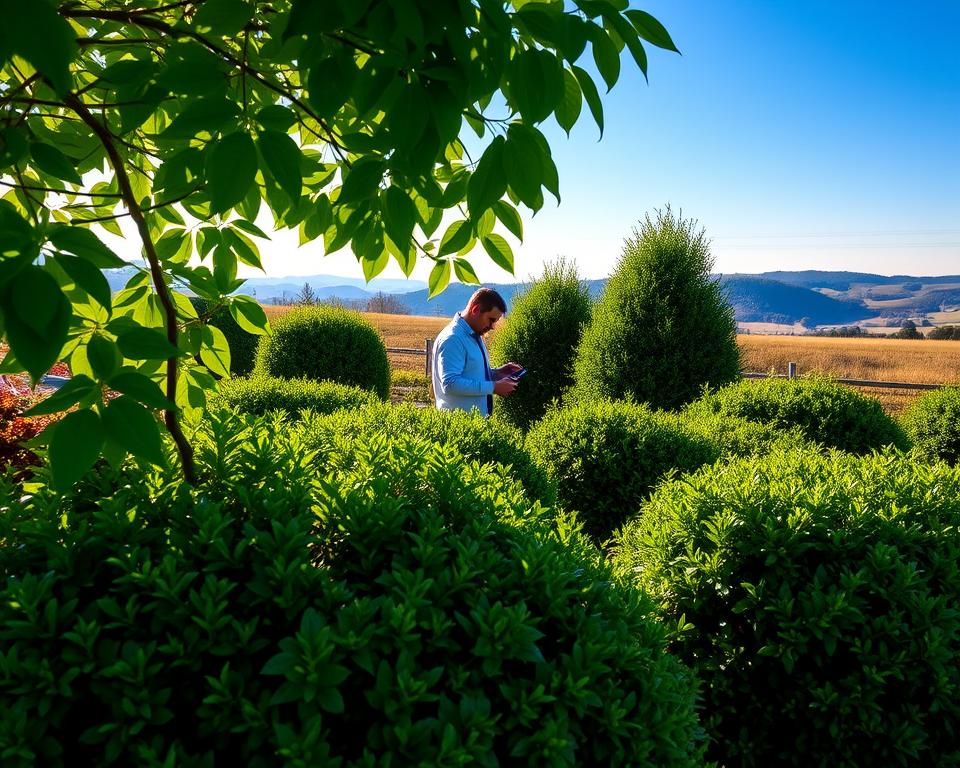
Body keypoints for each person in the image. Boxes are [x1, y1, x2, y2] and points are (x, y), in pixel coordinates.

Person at [432, 287, 523, 416]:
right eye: (491, 320)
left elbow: (471, 375)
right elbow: (450, 384)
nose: (492, 327)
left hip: (474, 423)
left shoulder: (474, 334)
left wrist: (497, 374)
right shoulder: (453, 338)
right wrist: (493, 387)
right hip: (459, 423)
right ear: (475, 310)